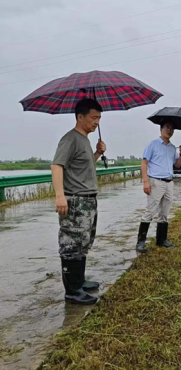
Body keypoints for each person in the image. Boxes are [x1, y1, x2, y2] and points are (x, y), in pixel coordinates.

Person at [51, 99, 107, 305]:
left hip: (88, 200)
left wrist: (98, 153)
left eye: (99, 118)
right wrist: (60, 196)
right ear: (80, 117)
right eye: (94, 118)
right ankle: (72, 291)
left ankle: (80, 281)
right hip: (75, 200)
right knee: (71, 245)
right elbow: (57, 166)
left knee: (83, 242)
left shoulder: (85, 140)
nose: (97, 122)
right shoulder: (70, 139)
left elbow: (83, 166)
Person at [136, 122, 181, 253]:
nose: (169, 130)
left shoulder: (172, 148)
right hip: (156, 182)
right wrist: (145, 181)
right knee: (150, 211)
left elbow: (177, 165)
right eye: (167, 127)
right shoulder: (152, 145)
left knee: (164, 212)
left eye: (172, 128)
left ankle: (162, 240)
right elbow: (144, 163)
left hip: (169, 182)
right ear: (161, 129)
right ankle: (141, 242)